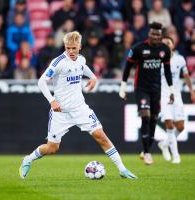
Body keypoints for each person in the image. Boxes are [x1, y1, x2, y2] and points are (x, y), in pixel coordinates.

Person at [19, 31, 137, 179]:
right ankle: (28, 159)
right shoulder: (58, 62)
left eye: (74, 48)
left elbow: (83, 67)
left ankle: (122, 169)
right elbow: (41, 82)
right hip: (60, 111)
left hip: (80, 108)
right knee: (52, 148)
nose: (71, 51)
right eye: (68, 48)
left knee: (101, 136)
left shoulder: (81, 59)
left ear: (79, 46)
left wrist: (93, 77)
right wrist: (52, 101)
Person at [119, 22, 174, 165]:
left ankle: (146, 150)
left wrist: (172, 90)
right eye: (153, 34)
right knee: (145, 116)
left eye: (158, 34)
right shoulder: (138, 48)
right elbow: (127, 67)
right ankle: (148, 153)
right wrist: (123, 87)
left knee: (154, 120)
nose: (155, 37)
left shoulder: (165, 50)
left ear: (160, 36)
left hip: (156, 89)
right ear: (148, 34)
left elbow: (167, 71)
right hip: (141, 89)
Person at [158, 36, 195, 164]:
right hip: (163, 95)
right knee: (169, 124)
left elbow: (186, 76)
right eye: (163, 43)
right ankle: (176, 155)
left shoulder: (180, 59)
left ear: (173, 45)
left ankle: (164, 144)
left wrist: (192, 91)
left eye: (168, 42)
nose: (166, 45)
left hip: (177, 95)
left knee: (181, 126)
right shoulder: (157, 60)